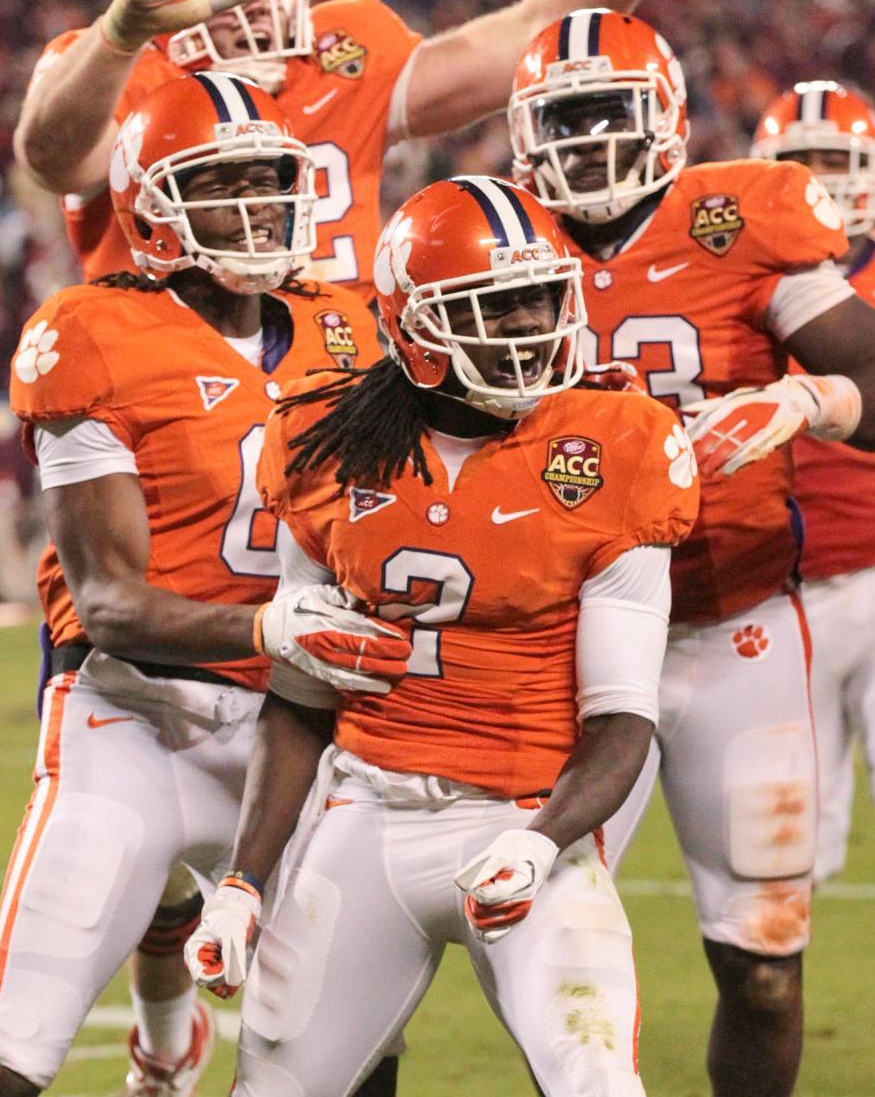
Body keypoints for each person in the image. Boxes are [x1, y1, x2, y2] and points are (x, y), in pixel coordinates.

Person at [180, 175, 699, 1095]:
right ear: (417, 329)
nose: (532, 325)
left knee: (598, 1082)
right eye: (496, 307)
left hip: (526, 811)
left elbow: (623, 720)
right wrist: (243, 884)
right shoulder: (323, 443)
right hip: (368, 815)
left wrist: (543, 841)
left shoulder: (618, 442)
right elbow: (300, 702)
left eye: (542, 297)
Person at [506, 8, 875, 1097]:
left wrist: (804, 397)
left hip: (735, 622)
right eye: (567, 117)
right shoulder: (496, 235)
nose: (591, 142)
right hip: (564, 640)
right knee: (547, 946)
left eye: (612, 112)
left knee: (764, 963)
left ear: (669, 118)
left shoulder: (741, 217)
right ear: (520, 131)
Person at [0, 73, 388, 1097]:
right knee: (7, 1062)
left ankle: (172, 1033)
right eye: (221, 184)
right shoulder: (92, 332)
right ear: (152, 207)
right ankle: (164, 1023)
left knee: (349, 1060)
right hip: (133, 715)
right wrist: (277, 626)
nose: (255, 208)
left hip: (298, 733)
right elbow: (108, 600)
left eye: (268, 180)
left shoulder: (351, 329)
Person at [13, 0, 741, 295]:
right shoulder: (112, 64)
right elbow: (53, 159)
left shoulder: (338, 54)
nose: (263, 6)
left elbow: (517, 37)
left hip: (341, 374)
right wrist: (122, 31)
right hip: (173, 379)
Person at [753, 80, 875, 1077]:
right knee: (771, 881)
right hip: (776, 598)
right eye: (801, 164)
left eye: (835, 165)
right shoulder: (732, 276)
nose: (819, 184)